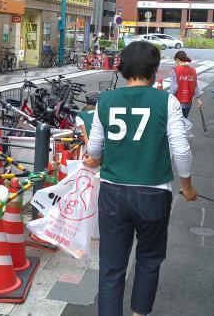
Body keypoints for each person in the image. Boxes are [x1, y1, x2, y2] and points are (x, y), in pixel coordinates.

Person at [83, 41, 197, 316]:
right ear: (154, 70)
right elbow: (181, 149)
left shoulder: (106, 101)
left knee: (111, 265)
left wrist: (93, 160)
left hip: (112, 193)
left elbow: (95, 149)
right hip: (153, 193)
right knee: (149, 259)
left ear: (122, 69)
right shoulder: (166, 102)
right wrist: (187, 186)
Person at [169, 50, 202, 118]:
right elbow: (195, 86)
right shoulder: (193, 71)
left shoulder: (175, 70)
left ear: (177, 60)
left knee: (176, 121)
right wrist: (198, 98)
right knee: (184, 120)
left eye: (175, 61)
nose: (175, 63)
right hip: (188, 101)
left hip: (177, 101)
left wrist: (169, 98)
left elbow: (174, 87)